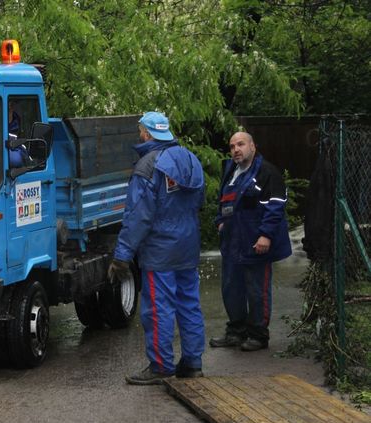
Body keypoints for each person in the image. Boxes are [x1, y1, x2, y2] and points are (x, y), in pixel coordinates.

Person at [109, 111, 206, 385]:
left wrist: (122, 256)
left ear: (147, 134)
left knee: (159, 307)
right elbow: (200, 200)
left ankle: (161, 365)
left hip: (159, 250)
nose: (139, 134)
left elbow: (138, 216)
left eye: (141, 130)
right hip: (188, 245)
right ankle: (193, 362)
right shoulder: (191, 160)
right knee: (189, 304)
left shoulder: (147, 166)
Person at [210, 131, 292, 351]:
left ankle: (258, 335)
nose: (236, 149)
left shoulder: (267, 172)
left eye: (241, 144)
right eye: (232, 146)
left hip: (255, 243)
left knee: (257, 291)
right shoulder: (231, 171)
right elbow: (224, 202)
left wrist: (265, 235)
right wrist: (220, 221)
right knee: (231, 288)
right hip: (232, 242)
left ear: (253, 146)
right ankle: (236, 332)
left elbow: (276, 205)